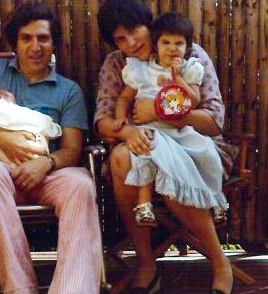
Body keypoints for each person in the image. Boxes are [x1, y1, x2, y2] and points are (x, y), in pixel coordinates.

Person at [0, 3, 101, 294]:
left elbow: (72, 149)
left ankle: (72, 289)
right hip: (2, 175)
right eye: (26, 38)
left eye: (43, 38)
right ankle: (20, 289)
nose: (35, 46)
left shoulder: (68, 90)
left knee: (81, 183)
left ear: (54, 43)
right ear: (15, 43)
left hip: (49, 176)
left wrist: (46, 163)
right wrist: (4, 140)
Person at [96, 1, 236, 294]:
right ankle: (146, 264)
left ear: (151, 24)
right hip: (146, 143)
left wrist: (159, 113)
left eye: (134, 31)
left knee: (166, 167)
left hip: (195, 144)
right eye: (120, 38)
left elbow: (213, 122)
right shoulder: (118, 63)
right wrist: (130, 131)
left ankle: (220, 262)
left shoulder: (187, 54)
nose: (130, 43)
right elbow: (103, 120)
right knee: (122, 157)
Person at [113, 12, 225, 228]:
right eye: (166, 42)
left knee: (207, 151)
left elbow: (193, 100)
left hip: (180, 131)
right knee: (146, 152)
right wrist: (120, 117)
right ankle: (144, 205)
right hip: (152, 130)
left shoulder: (189, 69)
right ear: (155, 44)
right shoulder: (141, 71)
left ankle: (215, 201)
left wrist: (179, 80)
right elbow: (125, 98)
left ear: (187, 46)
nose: (172, 48)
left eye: (179, 43)